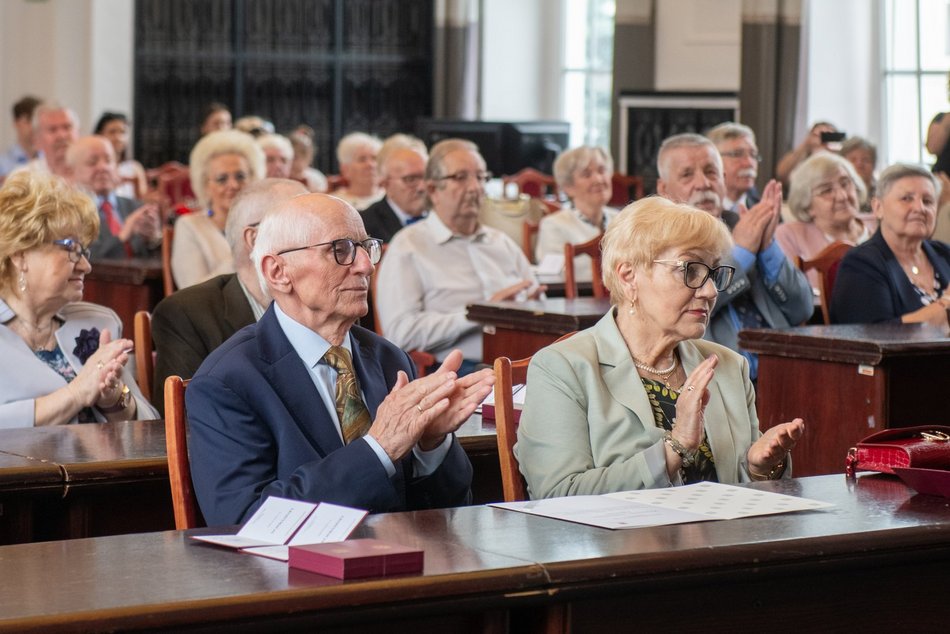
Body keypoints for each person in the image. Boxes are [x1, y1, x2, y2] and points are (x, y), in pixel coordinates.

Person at [186, 193, 494, 525]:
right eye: (341, 250)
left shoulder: (390, 359)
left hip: (402, 564)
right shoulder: (229, 380)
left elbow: (448, 511)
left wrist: (430, 445)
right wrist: (379, 449)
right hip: (297, 573)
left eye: (366, 247)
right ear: (278, 272)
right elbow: (243, 520)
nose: (365, 265)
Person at [515, 197, 804, 498]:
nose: (709, 290)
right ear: (629, 277)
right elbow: (558, 495)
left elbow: (742, 490)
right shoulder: (563, 367)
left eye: (714, 272)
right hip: (624, 545)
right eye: (690, 270)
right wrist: (674, 447)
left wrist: (761, 467)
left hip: (723, 542)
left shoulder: (728, 366)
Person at [0, 171, 159, 427]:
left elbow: (149, 426)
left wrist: (115, 398)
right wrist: (76, 393)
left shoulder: (98, 321)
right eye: (71, 250)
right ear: (20, 255)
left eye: (84, 251)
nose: (86, 266)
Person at [376, 139, 543, 373]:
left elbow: (535, 299)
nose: (475, 187)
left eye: (481, 177)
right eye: (461, 177)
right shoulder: (409, 245)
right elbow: (400, 334)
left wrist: (534, 305)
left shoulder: (501, 242)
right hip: (457, 371)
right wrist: (478, 314)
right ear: (433, 189)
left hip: (524, 363)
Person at [655, 134, 813, 378]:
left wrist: (767, 247)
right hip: (712, 378)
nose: (703, 183)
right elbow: (680, 306)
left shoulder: (745, 226)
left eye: (711, 172)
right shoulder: (658, 242)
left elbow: (802, 308)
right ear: (663, 189)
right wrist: (741, 254)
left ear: (723, 179)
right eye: (687, 175)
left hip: (784, 372)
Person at [151, 178, 307, 412]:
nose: (319, 238)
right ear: (255, 240)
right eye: (302, 225)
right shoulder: (187, 314)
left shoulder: (325, 303)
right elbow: (184, 419)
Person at [830, 163, 950, 328]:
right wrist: (946, 303)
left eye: (928, 201)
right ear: (878, 208)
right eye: (906, 198)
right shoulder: (861, 263)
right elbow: (877, 335)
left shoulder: (944, 253)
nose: (919, 208)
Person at [171, 130, 264, 289]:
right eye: (222, 179)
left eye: (240, 176)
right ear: (206, 185)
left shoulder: (264, 224)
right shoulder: (190, 226)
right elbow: (191, 292)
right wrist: (243, 254)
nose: (233, 185)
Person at [777, 152, 875, 289]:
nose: (842, 196)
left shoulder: (881, 224)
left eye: (845, 183)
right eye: (827, 190)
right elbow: (790, 294)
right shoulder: (789, 235)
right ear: (807, 205)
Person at [65, 136, 162, 260]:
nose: (103, 167)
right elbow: (81, 258)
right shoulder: (70, 215)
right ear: (71, 171)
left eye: (108, 160)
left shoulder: (136, 207)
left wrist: (153, 240)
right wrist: (122, 236)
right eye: (92, 162)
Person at [535, 146, 618, 280]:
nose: (598, 179)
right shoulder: (553, 226)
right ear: (568, 187)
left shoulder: (624, 220)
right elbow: (552, 276)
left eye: (602, 171)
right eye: (587, 174)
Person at [360, 145, 428, 243]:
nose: (422, 187)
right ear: (386, 184)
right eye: (410, 179)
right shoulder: (366, 225)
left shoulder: (445, 216)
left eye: (426, 177)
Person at [705, 122, 762, 211]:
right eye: (737, 154)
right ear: (713, 160)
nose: (749, 163)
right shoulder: (698, 210)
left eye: (753, 154)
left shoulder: (765, 209)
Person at [93, 112, 148, 200]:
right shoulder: (93, 168)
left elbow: (142, 201)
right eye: (112, 132)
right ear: (100, 135)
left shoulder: (134, 168)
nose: (118, 137)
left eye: (123, 132)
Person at [775, 121, 840, 187]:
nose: (822, 138)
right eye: (817, 135)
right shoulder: (801, 158)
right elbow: (781, 174)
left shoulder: (838, 159)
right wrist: (806, 144)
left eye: (827, 135)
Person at [25, 102, 79, 179]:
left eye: (67, 127)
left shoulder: (92, 173)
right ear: (36, 140)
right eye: (52, 129)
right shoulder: (25, 178)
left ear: (78, 132)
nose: (62, 136)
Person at [333, 132, 384, 210]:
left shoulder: (393, 199)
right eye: (362, 159)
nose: (371, 165)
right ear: (345, 169)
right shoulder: (335, 202)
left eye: (374, 158)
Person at [0, 96, 41, 178]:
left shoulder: (51, 161)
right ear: (15, 123)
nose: (34, 126)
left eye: (37, 121)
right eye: (28, 121)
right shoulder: (2, 164)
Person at [840, 136, 878, 208]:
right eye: (853, 160)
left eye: (865, 160)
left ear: (874, 165)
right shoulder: (839, 194)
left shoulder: (883, 192)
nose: (859, 164)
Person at [289, 125, 328, 192]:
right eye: (292, 157)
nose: (293, 161)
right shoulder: (282, 176)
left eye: (296, 157)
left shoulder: (316, 177)